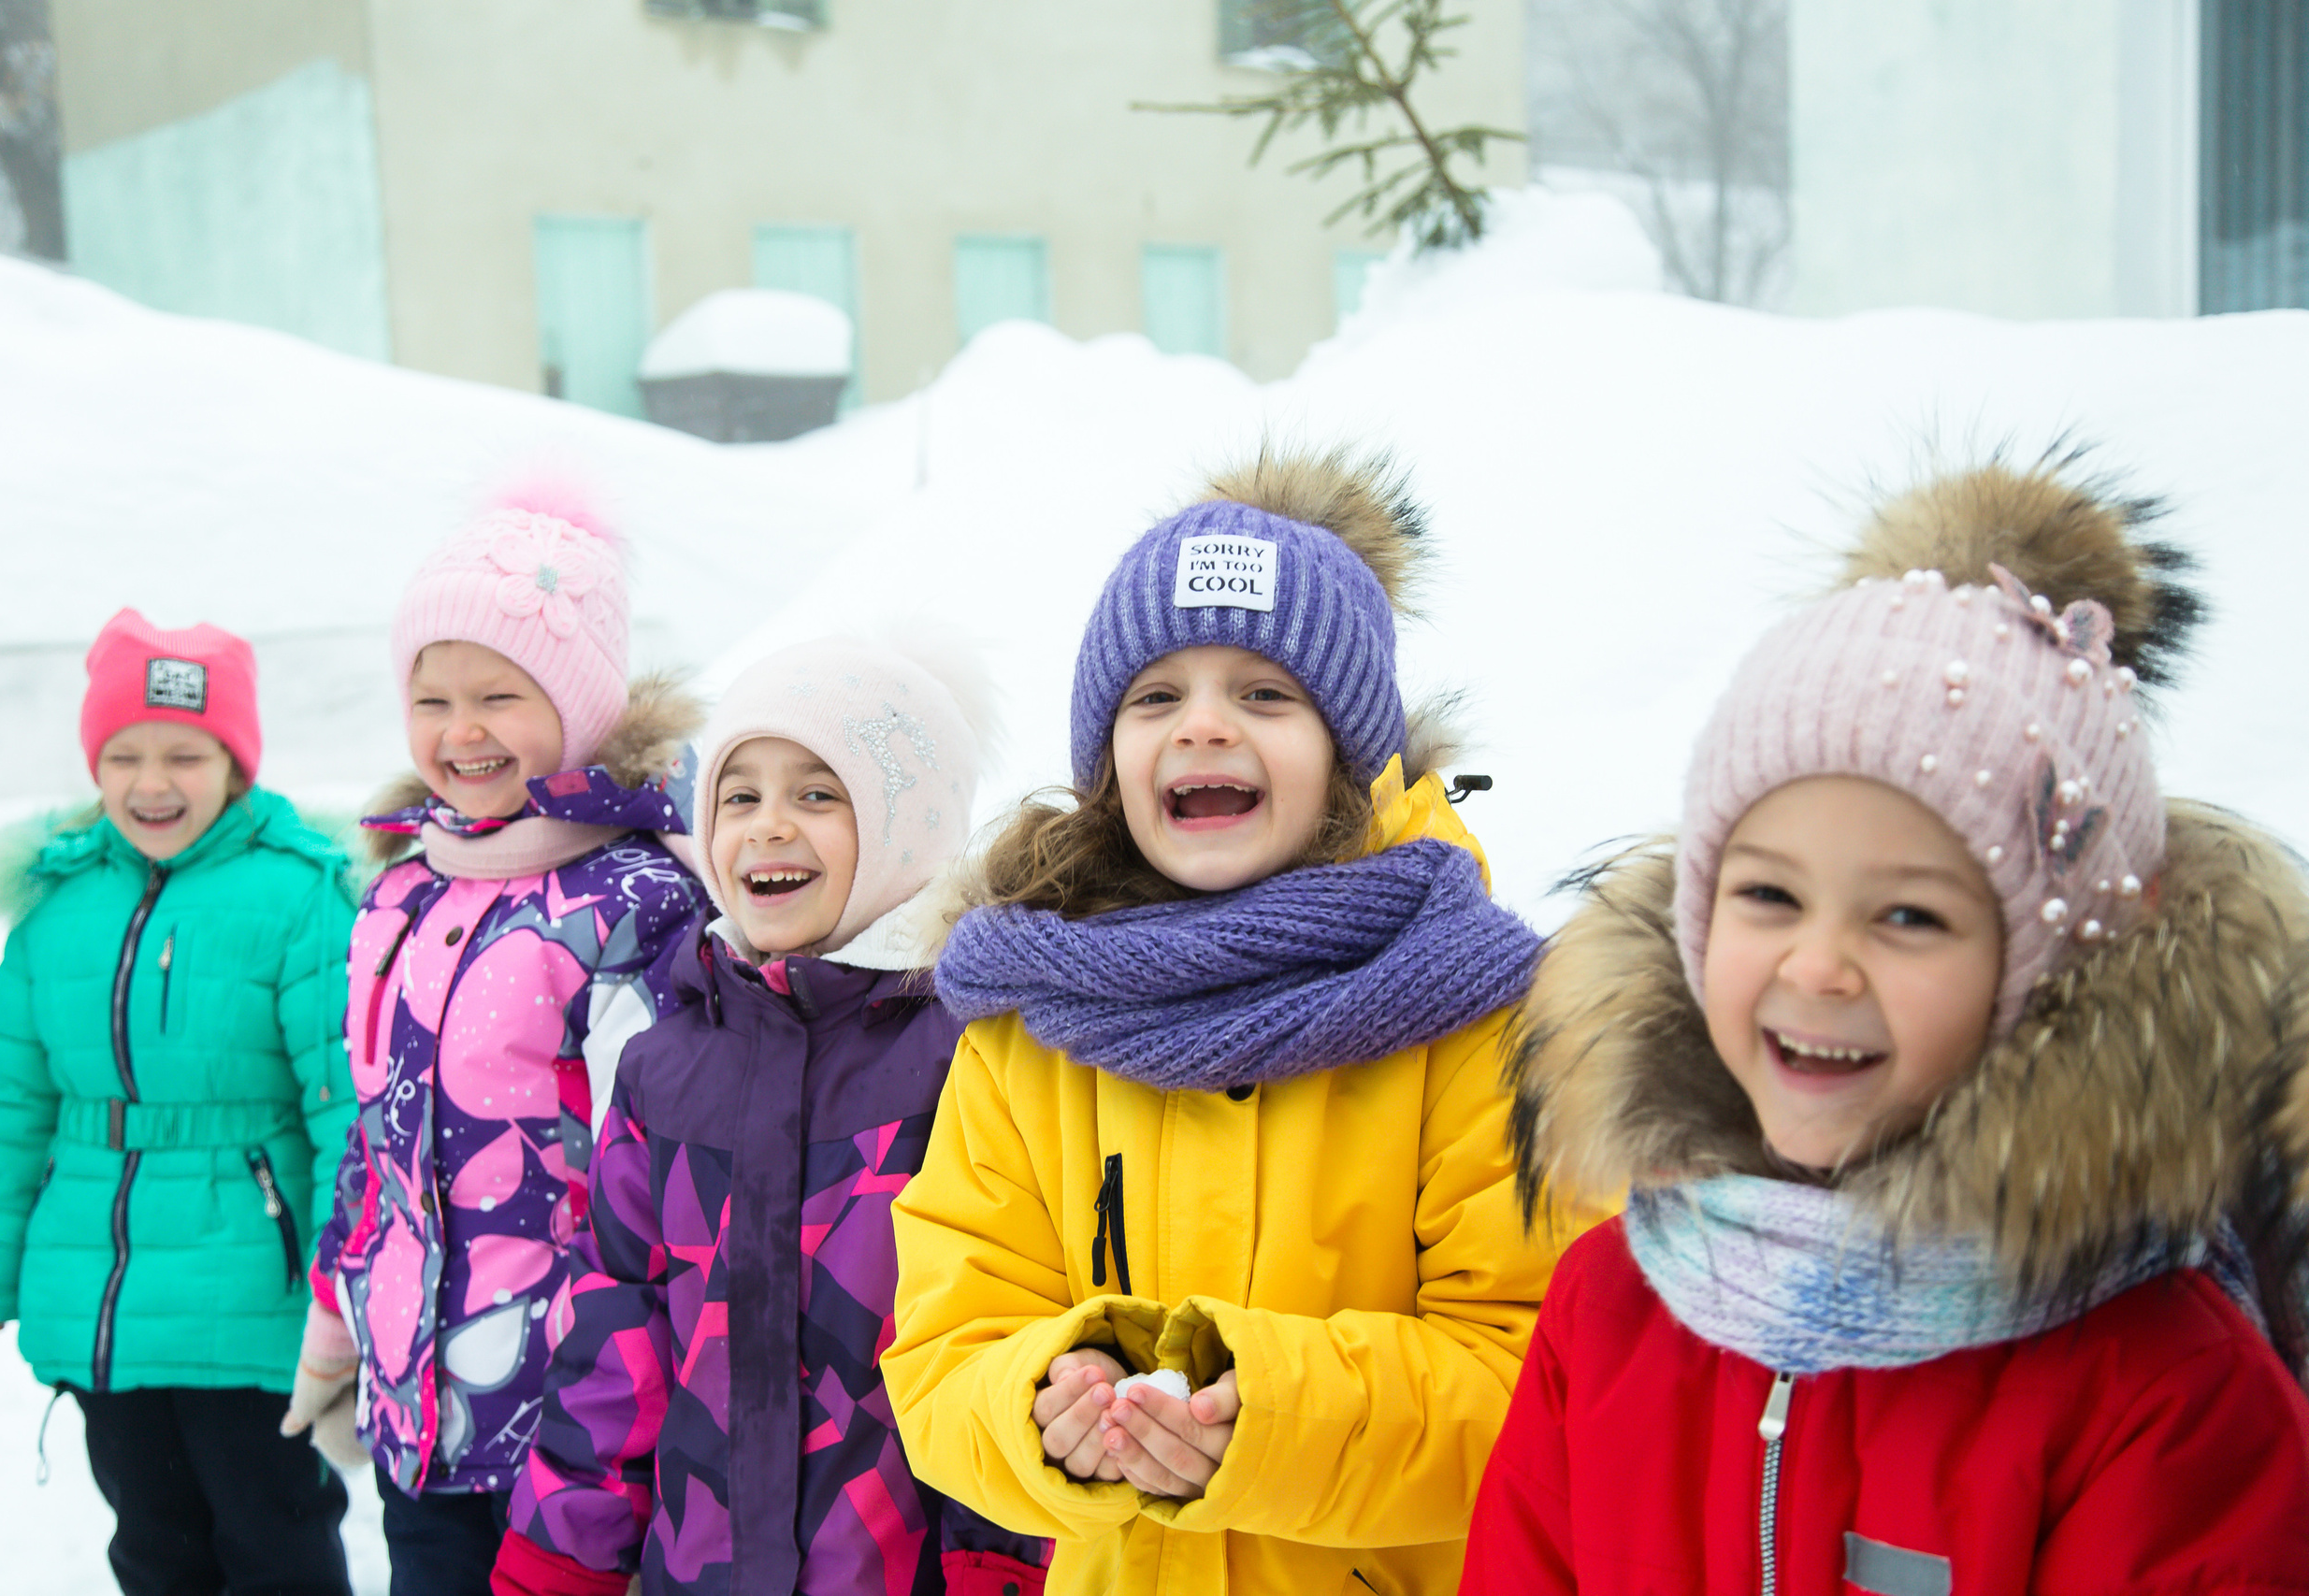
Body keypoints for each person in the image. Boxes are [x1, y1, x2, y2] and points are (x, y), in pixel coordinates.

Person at [1462, 454, 2309, 1593]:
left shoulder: (2163, 1386)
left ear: (2057, 967)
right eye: (1765, 895)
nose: (1817, 963)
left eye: (1909, 915)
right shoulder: (1610, 1302)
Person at [881, 453, 1584, 1593]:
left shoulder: (1480, 1012)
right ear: (1110, 762)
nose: (1203, 727)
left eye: (1264, 694)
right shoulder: (1028, 1029)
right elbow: (942, 1356)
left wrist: (1262, 1411)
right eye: (1155, 698)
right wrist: (1039, 1399)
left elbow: (1536, 1371)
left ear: (1355, 755)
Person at [491, 634, 1051, 1596]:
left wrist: (1000, 1568)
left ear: (905, 830)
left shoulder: (971, 1057)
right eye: (739, 795)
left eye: (818, 794)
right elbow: (614, 1341)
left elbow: (1008, 1334)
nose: (768, 826)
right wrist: (561, 1563)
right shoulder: (665, 1069)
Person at [293, 490, 710, 1596]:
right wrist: (338, 1327)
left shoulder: (632, 900)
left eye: (498, 696)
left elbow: (660, 1173)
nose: (459, 730)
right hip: (416, 1409)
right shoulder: (402, 895)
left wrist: (636, 1395)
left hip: (574, 1420)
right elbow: (372, 1139)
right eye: (431, 698)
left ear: (575, 710)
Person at [0, 609, 359, 1596]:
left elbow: (343, 1108)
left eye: (184, 755)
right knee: (154, 1542)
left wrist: (348, 1276)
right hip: (99, 1291)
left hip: (256, 1284)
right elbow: (10, 1103)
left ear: (236, 765)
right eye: (124, 755)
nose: (152, 784)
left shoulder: (299, 896)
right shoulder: (60, 905)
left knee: (273, 1533)